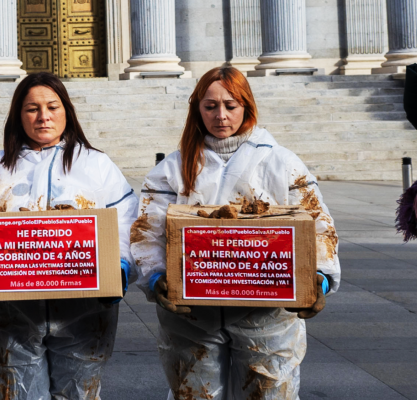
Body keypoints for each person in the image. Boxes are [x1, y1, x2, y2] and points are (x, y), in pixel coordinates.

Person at [130, 67, 341, 400]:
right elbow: (147, 231)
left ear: (247, 106)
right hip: (192, 315)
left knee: (270, 394)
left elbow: (318, 224)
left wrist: (320, 277)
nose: (221, 115)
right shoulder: (172, 167)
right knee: (194, 393)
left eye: (230, 105)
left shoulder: (283, 163)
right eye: (210, 106)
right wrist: (156, 278)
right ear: (197, 109)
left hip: (268, 313)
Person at [0, 72, 138, 400]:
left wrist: (121, 264)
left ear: (66, 110)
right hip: (10, 313)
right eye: (32, 108)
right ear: (18, 115)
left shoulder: (97, 165)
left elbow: (127, 222)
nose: (43, 116)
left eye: (52, 106)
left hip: (85, 311)